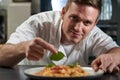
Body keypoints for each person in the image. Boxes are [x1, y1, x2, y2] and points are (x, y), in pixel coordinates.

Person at [0, 0, 120, 73]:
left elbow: (116, 51)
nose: (78, 28)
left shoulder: (94, 33)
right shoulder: (38, 23)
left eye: (87, 23)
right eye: (74, 18)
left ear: (95, 23)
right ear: (63, 13)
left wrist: (112, 57)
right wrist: (23, 48)